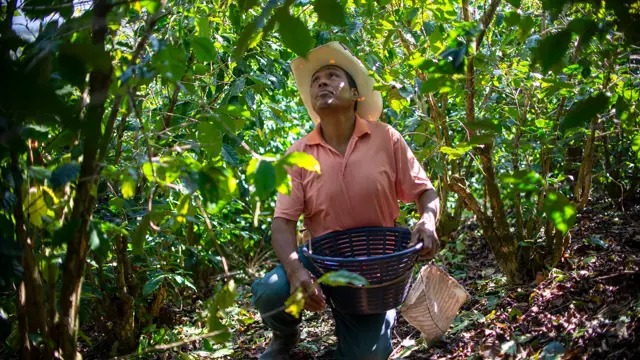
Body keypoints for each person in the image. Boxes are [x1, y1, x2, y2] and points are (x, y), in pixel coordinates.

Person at [251, 42, 440, 360]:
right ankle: (285, 335)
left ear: (356, 95)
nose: (321, 82)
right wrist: (297, 272)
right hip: (322, 259)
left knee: (367, 356)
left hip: (376, 267)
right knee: (271, 290)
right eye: (316, 80)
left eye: (332, 75)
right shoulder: (297, 154)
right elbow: (283, 222)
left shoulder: (386, 138)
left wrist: (428, 219)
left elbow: (425, 191)